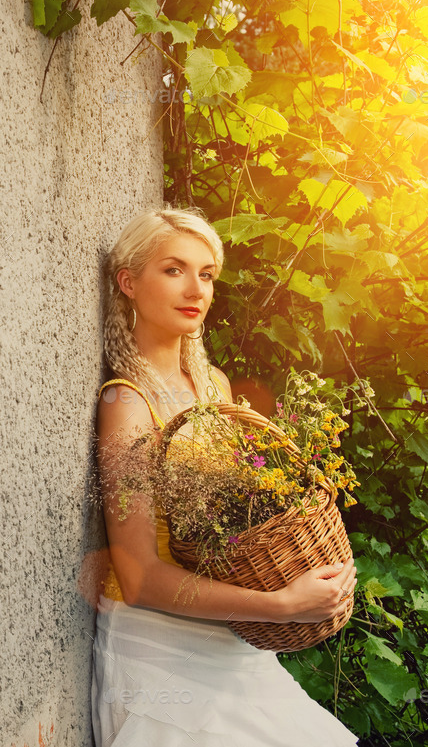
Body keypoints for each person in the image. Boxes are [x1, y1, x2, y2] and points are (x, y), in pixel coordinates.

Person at [91, 207, 358, 746]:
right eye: (174, 269)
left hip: (233, 646)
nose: (196, 288)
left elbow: (235, 532)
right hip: (163, 657)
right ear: (128, 282)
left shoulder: (214, 386)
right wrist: (282, 605)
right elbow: (138, 576)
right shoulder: (127, 404)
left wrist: (308, 575)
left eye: (207, 274)